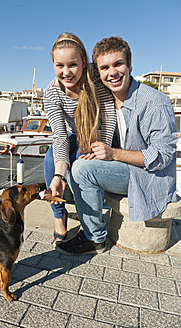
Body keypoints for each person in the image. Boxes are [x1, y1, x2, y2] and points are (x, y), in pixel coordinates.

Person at [56, 36, 178, 255]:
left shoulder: (153, 102)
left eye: (118, 64)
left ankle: (95, 239)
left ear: (130, 65)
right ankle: (88, 227)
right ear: (97, 71)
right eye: (104, 67)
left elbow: (163, 156)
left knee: (82, 170)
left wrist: (113, 154)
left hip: (149, 177)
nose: (112, 73)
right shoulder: (106, 98)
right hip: (127, 170)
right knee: (79, 163)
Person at [43, 33, 116, 242]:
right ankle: (59, 215)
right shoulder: (51, 93)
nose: (66, 72)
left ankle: (90, 224)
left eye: (72, 65)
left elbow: (109, 114)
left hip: (98, 133)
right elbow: (59, 136)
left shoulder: (94, 77)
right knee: (51, 160)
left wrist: (106, 147)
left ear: (84, 62)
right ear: (53, 64)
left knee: (81, 165)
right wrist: (59, 176)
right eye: (60, 66)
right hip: (73, 134)